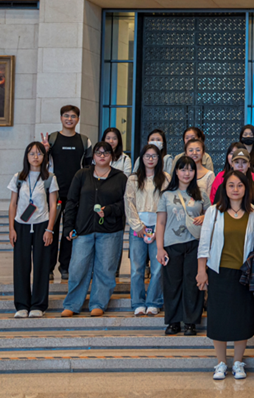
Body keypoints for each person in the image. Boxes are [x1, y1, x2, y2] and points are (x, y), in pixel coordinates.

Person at [196, 171, 254, 381]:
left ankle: (238, 362)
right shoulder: (214, 211)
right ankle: (221, 362)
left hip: (244, 273)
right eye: (231, 185)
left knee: (242, 317)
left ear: (246, 188)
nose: (235, 189)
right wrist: (201, 270)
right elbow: (204, 243)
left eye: (239, 185)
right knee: (219, 318)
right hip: (218, 271)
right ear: (225, 188)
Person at [60, 142, 128, 317]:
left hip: (110, 230)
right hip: (83, 229)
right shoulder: (82, 175)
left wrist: (110, 210)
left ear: (112, 156)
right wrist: (68, 226)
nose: (102, 156)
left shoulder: (120, 178)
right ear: (93, 156)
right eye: (98, 152)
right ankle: (72, 304)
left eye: (106, 152)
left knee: (105, 269)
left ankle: (98, 303)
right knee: (77, 268)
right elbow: (71, 201)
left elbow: (126, 204)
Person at [40, 104, 92, 281]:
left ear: (78, 119)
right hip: (54, 194)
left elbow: (89, 168)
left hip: (75, 195)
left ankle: (65, 267)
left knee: (69, 232)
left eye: (73, 116)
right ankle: (48, 268)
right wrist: (45, 151)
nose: (69, 119)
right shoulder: (52, 139)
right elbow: (41, 164)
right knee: (51, 230)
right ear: (61, 118)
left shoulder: (84, 141)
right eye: (66, 116)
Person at [155, 156, 206, 336]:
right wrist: (160, 248)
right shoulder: (166, 195)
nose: (187, 173)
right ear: (176, 171)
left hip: (194, 243)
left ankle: (191, 322)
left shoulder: (201, 193)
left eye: (190, 170)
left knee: (192, 283)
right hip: (172, 244)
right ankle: (173, 321)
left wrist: (204, 216)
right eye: (183, 169)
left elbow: (211, 215)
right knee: (172, 284)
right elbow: (160, 222)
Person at [8, 142, 58, 318]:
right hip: (21, 225)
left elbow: (53, 205)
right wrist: (11, 229)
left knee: (41, 265)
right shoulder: (18, 178)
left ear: (44, 157)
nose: (35, 157)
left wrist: (50, 229)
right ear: (26, 156)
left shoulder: (49, 178)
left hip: (42, 225)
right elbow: (12, 204)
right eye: (32, 153)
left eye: (39, 153)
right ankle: (22, 305)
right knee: (21, 266)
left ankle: (38, 305)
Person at [124, 144, 170, 317]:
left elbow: (167, 203)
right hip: (138, 228)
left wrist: (159, 227)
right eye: (147, 156)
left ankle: (153, 302)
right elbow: (129, 203)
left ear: (159, 159)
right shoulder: (133, 179)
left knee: (158, 268)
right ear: (141, 158)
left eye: (154, 156)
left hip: (158, 226)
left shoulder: (165, 178)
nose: (150, 159)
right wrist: (138, 226)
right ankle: (137, 303)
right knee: (137, 268)